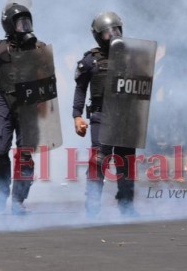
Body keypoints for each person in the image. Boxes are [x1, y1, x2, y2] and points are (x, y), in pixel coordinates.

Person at [0, 0, 46, 214]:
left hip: (29, 106)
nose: (24, 26)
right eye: (19, 22)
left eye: (27, 22)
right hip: (4, 102)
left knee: (25, 155)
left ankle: (18, 200)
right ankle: (3, 191)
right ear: (8, 24)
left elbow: (47, 81)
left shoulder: (39, 48)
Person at [72, 11, 137, 217]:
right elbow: (80, 88)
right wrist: (77, 116)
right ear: (99, 36)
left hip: (126, 116)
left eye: (116, 30)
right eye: (108, 32)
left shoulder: (132, 56)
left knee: (126, 161)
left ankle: (126, 206)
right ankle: (92, 206)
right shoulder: (91, 60)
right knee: (99, 160)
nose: (114, 34)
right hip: (101, 115)